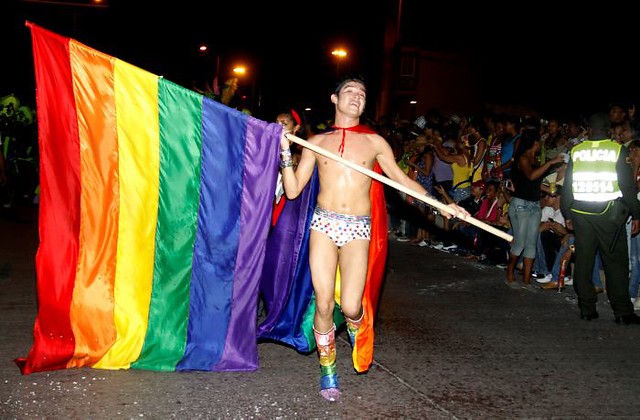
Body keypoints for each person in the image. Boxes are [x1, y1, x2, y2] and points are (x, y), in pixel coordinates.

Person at [278, 76, 468, 401]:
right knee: (323, 302)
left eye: (362, 94)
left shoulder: (375, 143)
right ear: (335, 99)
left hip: (357, 229)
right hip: (323, 224)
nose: (357, 97)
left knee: (352, 305)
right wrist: (285, 150)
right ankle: (328, 371)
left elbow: (402, 180)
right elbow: (294, 190)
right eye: (350, 91)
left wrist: (442, 205)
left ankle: (357, 329)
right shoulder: (317, 142)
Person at [561, 112, 640, 324]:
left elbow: (567, 187)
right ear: (608, 130)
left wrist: (567, 213)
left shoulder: (577, 151)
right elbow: (627, 186)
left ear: (589, 130)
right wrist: (637, 213)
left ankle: (587, 308)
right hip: (608, 215)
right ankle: (622, 312)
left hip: (581, 214)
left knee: (584, 261)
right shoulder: (616, 150)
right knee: (616, 263)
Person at [505, 128, 564, 289]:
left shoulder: (535, 160)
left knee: (531, 243)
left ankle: (526, 280)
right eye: (540, 144)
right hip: (520, 205)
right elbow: (531, 176)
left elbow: (534, 183)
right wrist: (550, 162)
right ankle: (509, 272)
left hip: (533, 205)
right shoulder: (523, 159)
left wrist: (550, 189)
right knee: (520, 243)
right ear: (536, 143)